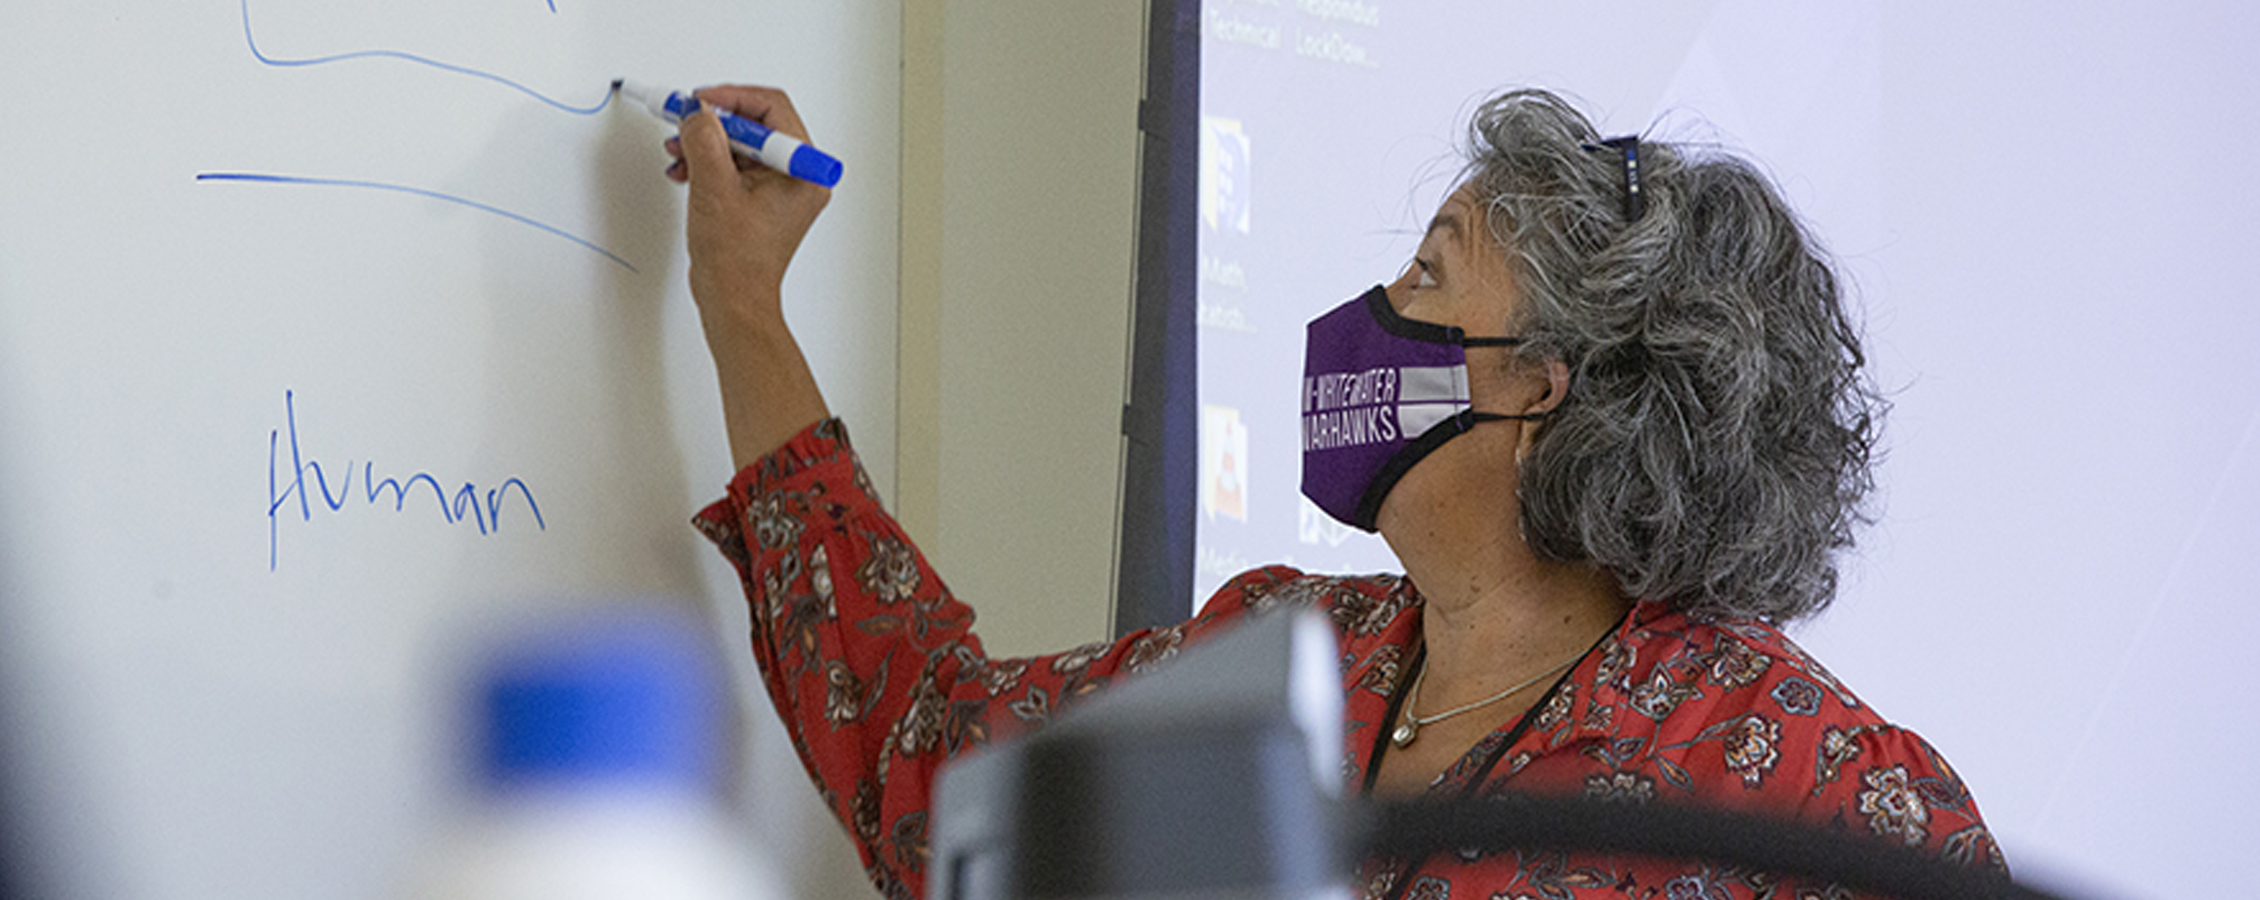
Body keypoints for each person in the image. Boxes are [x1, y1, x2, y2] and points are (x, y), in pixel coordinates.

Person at [663, 85, 2005, 900]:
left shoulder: (1810, 782)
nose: (1366, 317)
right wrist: (740, 297)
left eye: (1429, 276)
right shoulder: (1287, 656)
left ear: (1540, 382)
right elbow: (932, 769)